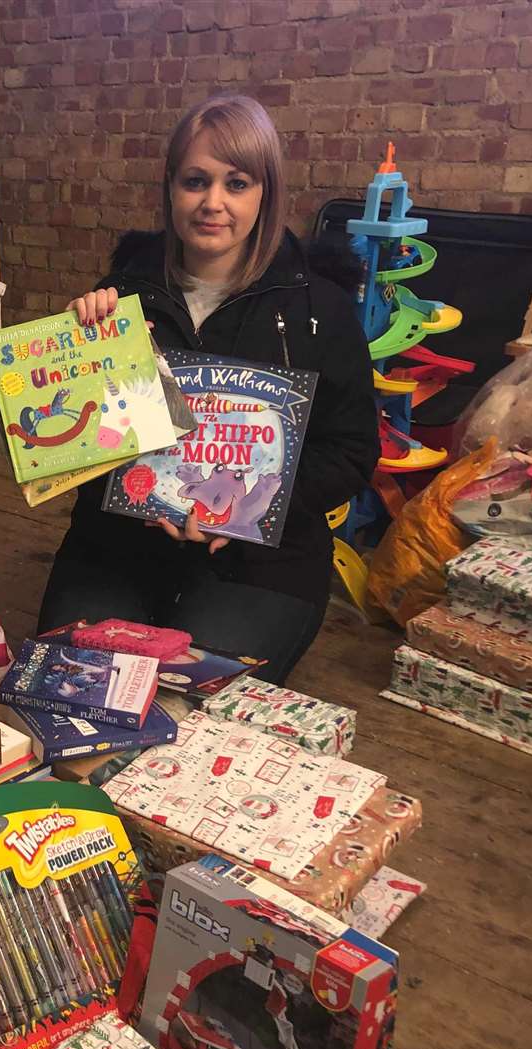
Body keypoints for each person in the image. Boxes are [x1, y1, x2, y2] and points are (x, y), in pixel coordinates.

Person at [37, 95, 379, 683]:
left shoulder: (318, 307)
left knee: (196, 705)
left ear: (264, 192)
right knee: (76, 690)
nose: (213, 203)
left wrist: (249, 509)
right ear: (171, 187)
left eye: (237, 183)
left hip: (260, 563)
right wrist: (79, 359)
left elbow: (350, 451)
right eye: (196, 181)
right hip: (118, 547)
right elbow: (73, 451)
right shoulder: (121, 296)